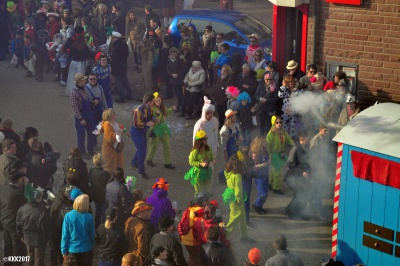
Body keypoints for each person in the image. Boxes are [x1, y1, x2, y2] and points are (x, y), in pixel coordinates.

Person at [222, 152, 254, 243]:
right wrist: (240, 201)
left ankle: (244, 236)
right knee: (233, 220)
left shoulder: (228, 172)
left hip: (231, 197)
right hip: (236, 200)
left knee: (242, 217)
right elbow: (238, 191)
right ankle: (223, 237)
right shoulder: (237, 176)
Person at [16, 183, 50, 266]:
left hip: (27, 236)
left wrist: (20, 234)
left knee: (29, 255)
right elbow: (46, 226)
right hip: (39, 237)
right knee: (39, 257)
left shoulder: (22, 209)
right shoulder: (42, 210)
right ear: (37, 199)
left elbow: (18, 223)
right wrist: (48, 237)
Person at [0, 172, 28, 264]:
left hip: (5, 221)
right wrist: (26, 185)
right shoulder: (19, 193)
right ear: (19, 180)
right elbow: (28, 202)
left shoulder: (2, 189)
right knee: (18, 246)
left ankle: (7, 263)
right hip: (15, 223)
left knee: (8, 244)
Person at [61, 194, 95, 265]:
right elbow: (92, 235)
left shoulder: (68, 216)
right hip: (86, 249)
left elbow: (65, 235)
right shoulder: (89, 217)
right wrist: (92, 245)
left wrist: (64, 251)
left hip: (72, 250)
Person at [146, 93, 176, 169]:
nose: (158, 102)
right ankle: (149, 159)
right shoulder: (151, 109)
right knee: (153, 146)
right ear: (154, 101)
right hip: (155, 130)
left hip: (163, 129)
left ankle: (167, 162)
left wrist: (171, 109)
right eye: (156, 101)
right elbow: (149, 118)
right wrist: (156, 116)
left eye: (159, 101)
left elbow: (166, 113)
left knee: (167, 146)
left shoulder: (163, 108)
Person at [285, 132, 310, 220]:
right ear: (302, 139)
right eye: (307, 138)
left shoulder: (306, 147)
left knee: (304, 194)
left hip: (303, 177)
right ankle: (290, 210)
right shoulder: (295, 149)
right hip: (294, 177)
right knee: (299, 195)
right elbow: (289, 164)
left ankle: (300, 212)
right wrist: (301, 172)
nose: (309, 140)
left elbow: (307, 162)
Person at [70, 73, 96, 159]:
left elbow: (87, 100)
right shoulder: (74, 92)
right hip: (81, 117)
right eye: (84, 79)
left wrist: (92, 103)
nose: (85, 80)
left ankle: (90, 150)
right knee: (81, 136)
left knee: (92, 133)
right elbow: (75, 107)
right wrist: (81, 119)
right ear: (80, 81)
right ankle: (82, 152)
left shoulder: (85, 89)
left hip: (89, 114)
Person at [266, 116, 294, 195]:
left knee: (273, 171)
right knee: (278, 172)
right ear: (273, 123)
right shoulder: (270, 134)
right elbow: (267, 147)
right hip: (273, 155)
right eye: (277, 122)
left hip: (281, 154)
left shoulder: (283, 132)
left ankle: (270, 184)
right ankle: (276, 188)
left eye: (280, 122)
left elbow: (288, 139)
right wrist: (269, 156)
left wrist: (293, 144)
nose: (279, 124)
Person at [130, 93, 155, 180]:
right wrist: (147, 124)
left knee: (142, 149)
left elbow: (151, 117)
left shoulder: (150, 109)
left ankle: (133, 163)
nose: (154, 103)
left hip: (143, 132)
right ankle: (141, 171)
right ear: (148, 102)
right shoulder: (138, 110)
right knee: (142, 151)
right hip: (136, 132)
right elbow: (136, 124)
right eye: (152, 102)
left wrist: (155, 118)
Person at [184, 130, 215, 198]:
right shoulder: (195, 152)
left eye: (206, 138)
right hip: (198, 174)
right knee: (199, 192)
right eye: (205, 139)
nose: (207, 140)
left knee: (207, 189)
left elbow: (211, 154)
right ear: (200, 141)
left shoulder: (208, 148)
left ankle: (206, 205)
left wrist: (213, 159)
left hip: (207, 172)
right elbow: (191, 161)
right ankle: (198, 204)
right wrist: (200, 164)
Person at [65, 26, 94, 95]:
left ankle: (72, 91)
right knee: (80, 78)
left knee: (73, 77)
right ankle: (80, 91)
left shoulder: (73, 46)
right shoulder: (84, 47)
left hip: (73, 63)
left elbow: (69, 55)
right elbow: (89, 55)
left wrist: (67, 64)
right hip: (81, 63)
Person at [125, 200, 154, 265]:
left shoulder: (129, 220)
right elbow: (142, 248)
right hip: (137, 259)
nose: (150, 213)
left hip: (128, 254)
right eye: (148, 211)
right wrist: (149, 258)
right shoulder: (142, 227)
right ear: (141, 212)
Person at [99, 108, 125, 173]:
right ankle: (109, 181)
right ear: (110, 115)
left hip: (117, 147)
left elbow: (120, 127)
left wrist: (124, 130)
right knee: (110, 166)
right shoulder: (107, 124)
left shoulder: (114, 122)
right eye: (113, 113)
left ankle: (118, 178)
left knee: (119, 165)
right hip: (110, 148)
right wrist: (119, 131)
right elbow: (109, 138)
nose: (115, 114)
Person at [89, 153, 111, 228]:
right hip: (104, 196)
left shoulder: (91, 171)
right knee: (104, 212)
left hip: (95, 195)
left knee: (97, 211)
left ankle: (96, 225)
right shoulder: (105, 174)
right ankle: (103, 226)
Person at [110, 31, 133, 103]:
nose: (112, 40)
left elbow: (115, 59)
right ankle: (129, 94)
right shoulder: (124, 44)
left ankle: (121, 97)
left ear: (116, 38)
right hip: (124, 64)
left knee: (119, 81)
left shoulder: (116, 46)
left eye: (113, 38)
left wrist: (113, 70)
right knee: (125, 80)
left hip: (118, 66)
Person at [167, 46, 184, 112]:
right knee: (176, 93)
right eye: (172, 52)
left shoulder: (179, 60)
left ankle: (180, 105)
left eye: (174, 52)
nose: (173, 54)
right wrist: (171, 74)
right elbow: (167, 69)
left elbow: (182, 68)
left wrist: (178, 74)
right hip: (172, 78)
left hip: (178, 78)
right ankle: (180, 104)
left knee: (179, 92)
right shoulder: (169, 60)